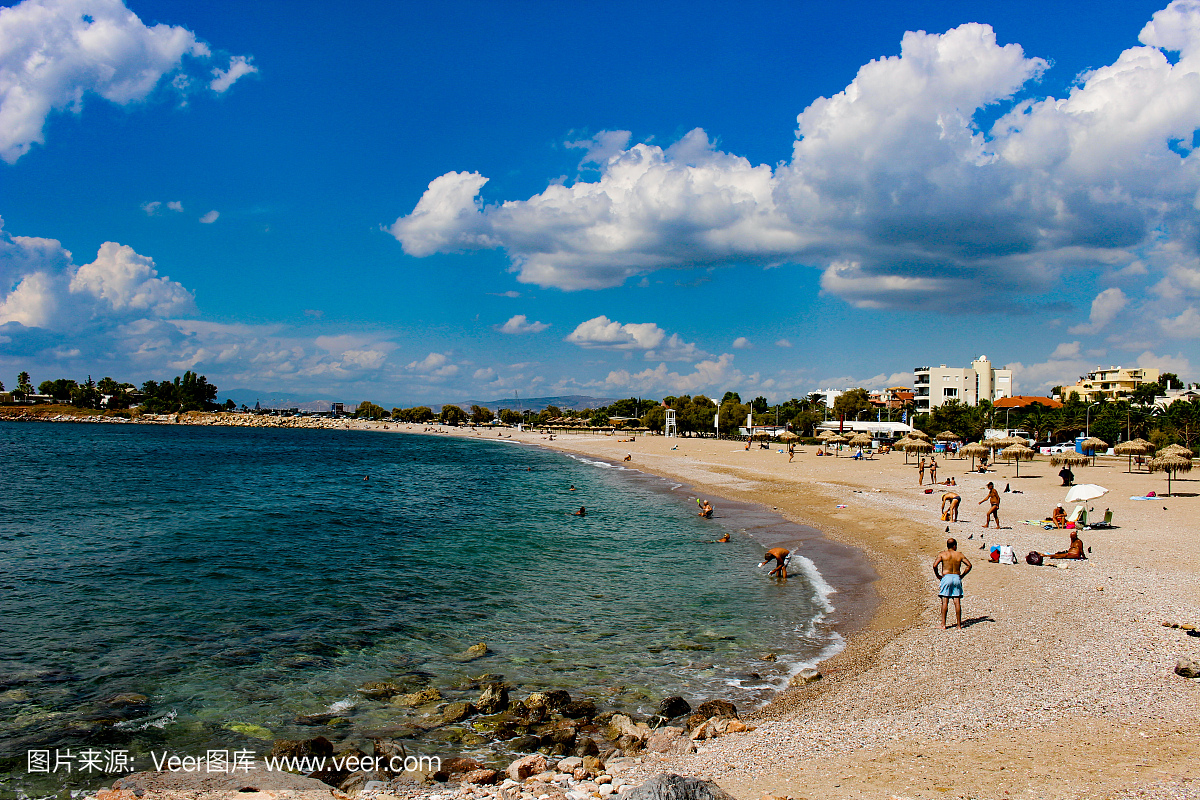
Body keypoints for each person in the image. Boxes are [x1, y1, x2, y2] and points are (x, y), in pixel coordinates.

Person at [933, 538, 972, 630]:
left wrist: (938, 575)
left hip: (946, 577)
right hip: (956, 577)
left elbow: (935, 565)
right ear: (955, 546)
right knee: (957, 601)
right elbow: (969, 565)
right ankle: (959, 625)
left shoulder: (942, 554)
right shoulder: (960, 554)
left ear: (947, 545)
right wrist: (962, 575)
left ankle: (943, 624)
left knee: (945, 601)